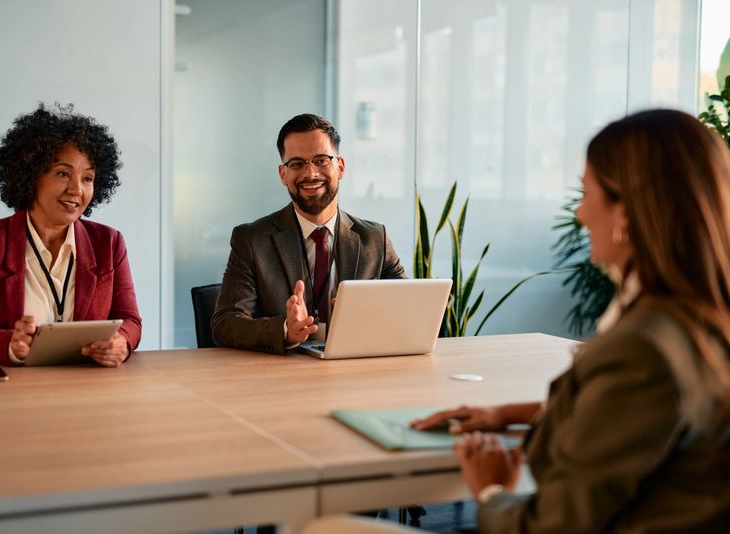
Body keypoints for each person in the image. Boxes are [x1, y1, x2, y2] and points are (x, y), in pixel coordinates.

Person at [409, 109, 730, 532]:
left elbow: (551, 526)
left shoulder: (645, 347)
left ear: (626, 213)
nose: (580, 215)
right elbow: (636, 416)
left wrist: (490, 494)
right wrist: (508, 412)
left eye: (586, 194)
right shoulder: (699, 323)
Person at [0, 104, 142, 367]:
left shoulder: (109, 243)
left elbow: (130, 320)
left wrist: (122, 342)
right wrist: (9, 344)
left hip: (89, 389)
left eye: (88, 178)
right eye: (63, 174)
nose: (77, 190)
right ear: (31, 176)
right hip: (12, 392)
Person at [212, 113, 406, 353]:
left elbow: (406, 311)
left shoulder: (375, 239)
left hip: (356, 375)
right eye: (297, 163)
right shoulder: (251, 240)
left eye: (322, 160)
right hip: (281, 378)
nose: (310, 173)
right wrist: (285, 330)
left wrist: (371, 316)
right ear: (283, 174)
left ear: (341, 167)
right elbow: (225, 323)